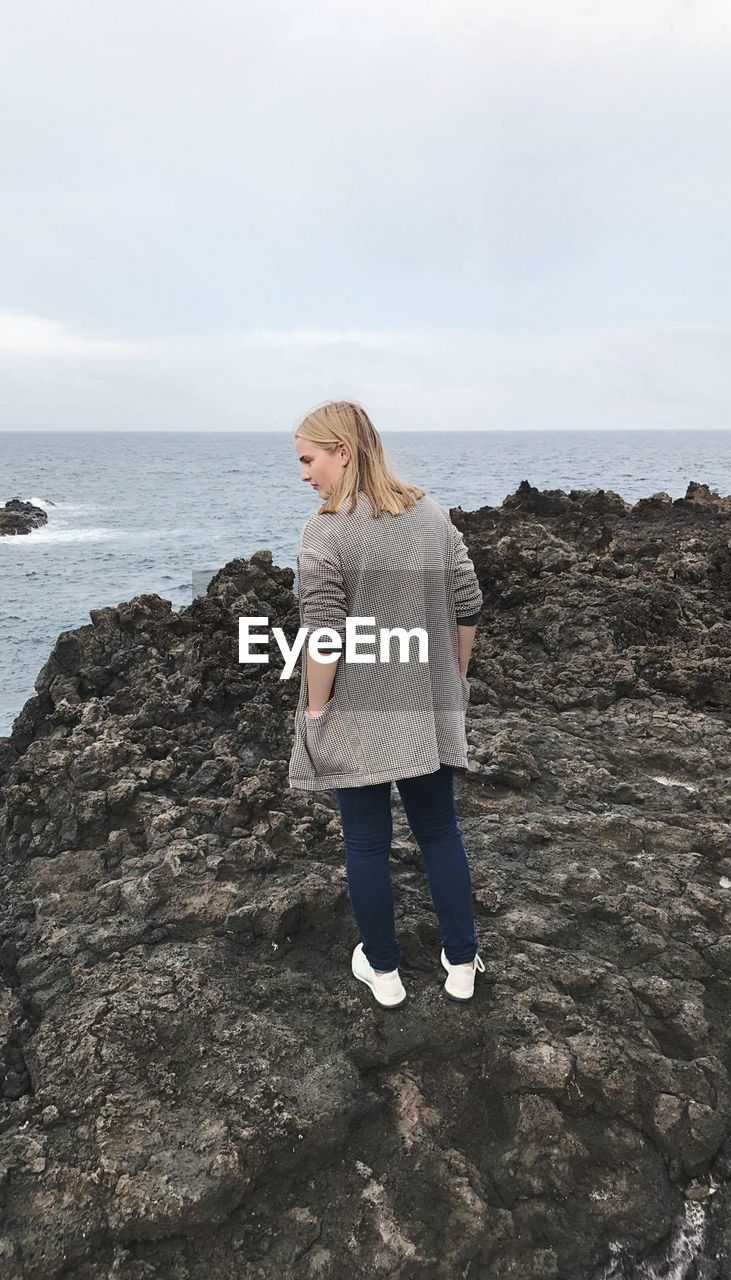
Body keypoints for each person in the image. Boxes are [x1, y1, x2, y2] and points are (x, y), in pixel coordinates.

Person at [287, 400, 486, 1009]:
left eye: (308, 459)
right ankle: (461, 964)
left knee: (366, 845)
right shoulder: (429, 514)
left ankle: (386, 973)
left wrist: (316, 714)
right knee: (439, 832)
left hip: (358, 710)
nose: (304, 474)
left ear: (342, 452)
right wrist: (454, 678)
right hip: (427, 706)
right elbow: (469, 602)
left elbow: (324, 636)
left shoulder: (326, 534)